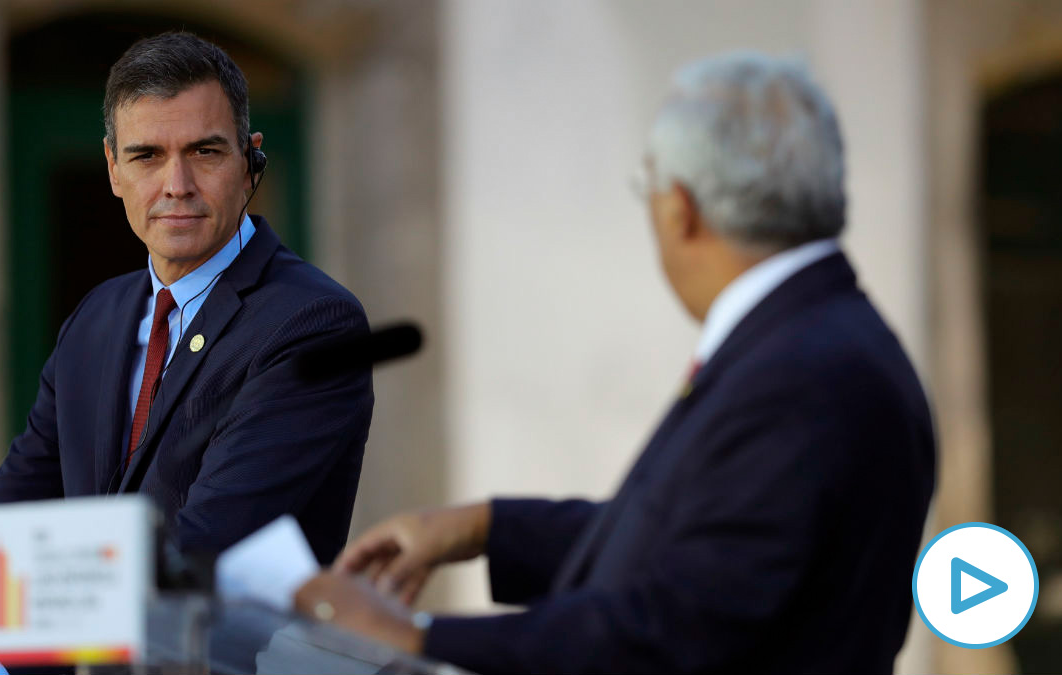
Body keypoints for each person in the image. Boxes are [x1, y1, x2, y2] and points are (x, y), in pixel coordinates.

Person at [294, 52, 936, 673]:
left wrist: (413, 634)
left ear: (679, 208)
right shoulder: (815, 337)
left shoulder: (802, 373)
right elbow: (693, 545)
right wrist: (481, 528)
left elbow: (676, 624)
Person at [0, 32, 373, 639]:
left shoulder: (313, 325)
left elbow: (200, 551)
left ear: (250, 161)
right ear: (112, 168)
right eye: (146, 156)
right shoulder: (97, 319)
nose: (177, 184)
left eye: (206, 152)